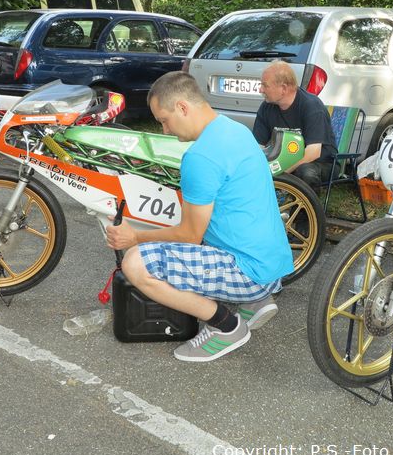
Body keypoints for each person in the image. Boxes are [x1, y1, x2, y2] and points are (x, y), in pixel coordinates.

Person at [106, 71, 294, 362]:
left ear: (182, 107)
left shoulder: (200, 157)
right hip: (272, 265)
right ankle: (257, 304)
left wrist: (135, 237)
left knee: (136, 262)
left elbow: (189, 235)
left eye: (164, 120)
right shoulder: (235, 129)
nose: (166, 130)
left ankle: (226, 326)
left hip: (250, 272)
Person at [252, 60, 337, 190]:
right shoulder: (266, 107)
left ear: (284, 88)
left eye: (265, 85)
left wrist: (282, 174)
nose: (260, 89)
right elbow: (258, 147)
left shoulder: (311, 106)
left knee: (305, 172)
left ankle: (307, 210)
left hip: (321, 162)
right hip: (285, 160)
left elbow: (313, 153)